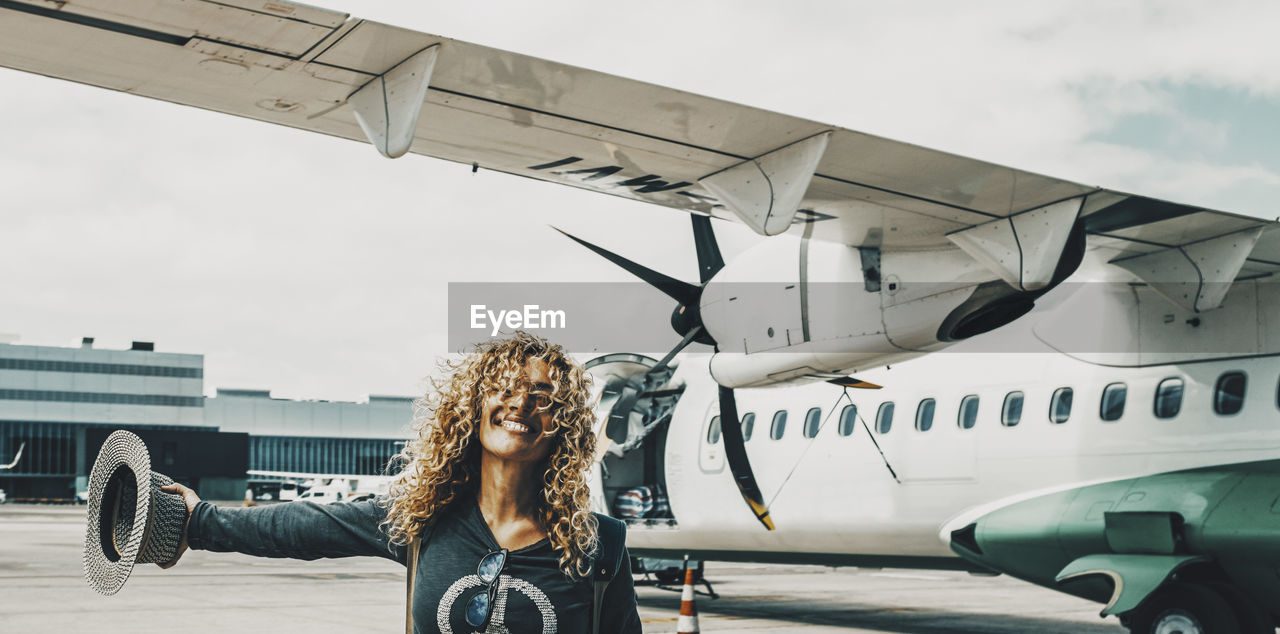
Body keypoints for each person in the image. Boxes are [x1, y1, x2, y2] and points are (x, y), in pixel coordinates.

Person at [160, 332, 642, 633]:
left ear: (565, 424)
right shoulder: (422, 520)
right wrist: (198, 522)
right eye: (503, 389)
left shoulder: (601, 546)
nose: (520, 404)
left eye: (542, 396)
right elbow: (306, 525)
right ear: (472, 409)